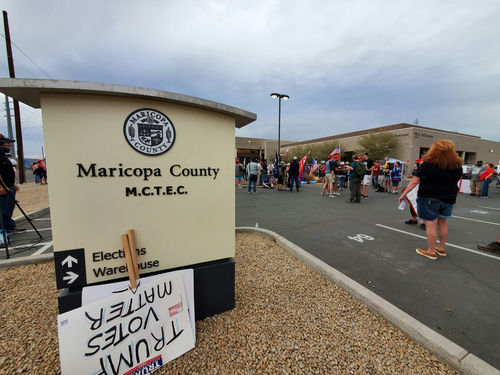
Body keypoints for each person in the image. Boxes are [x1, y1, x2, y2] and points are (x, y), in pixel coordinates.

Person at [398, 140, 462, 260]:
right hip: (449, 197)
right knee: (443, 222)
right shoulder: (457, 164)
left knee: (430, 223)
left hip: (430, 196)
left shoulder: (428, 163)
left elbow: (414, 181)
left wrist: (404, 194)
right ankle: (441, 248)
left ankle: (431, 251)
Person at [0, 134, 20, 233]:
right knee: (2, 209)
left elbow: (7, 171)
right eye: (7, 143)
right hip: (3, 188)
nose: (9, 145)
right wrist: (2, 187)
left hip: (10, 186)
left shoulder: (3, 156)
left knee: (9, 207)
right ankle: (3, 231)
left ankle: (9, 227)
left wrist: (13, 183)